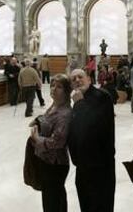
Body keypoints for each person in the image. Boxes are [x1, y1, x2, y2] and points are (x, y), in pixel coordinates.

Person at [68, 69, 115, 212]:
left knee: (102, 205)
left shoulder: (102, 96)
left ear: (89, 79)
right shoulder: (77, 99)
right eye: (73, 79)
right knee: (86, 204)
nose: (77, 80)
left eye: (80, 77)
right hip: (82, 166)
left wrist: (79, 104)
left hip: (101, 166)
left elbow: (95, 128)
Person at [29, 74, 72, 212]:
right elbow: (48, 119)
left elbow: (57, 142)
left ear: (66, 91)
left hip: (55, 164)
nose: (53, 89)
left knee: (52, 202)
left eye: (59, 86)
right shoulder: (55, 106)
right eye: (52, 85)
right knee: (52, 198)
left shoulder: (65, 114)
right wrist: (39, 119)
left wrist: (37, 139)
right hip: (46, 161)